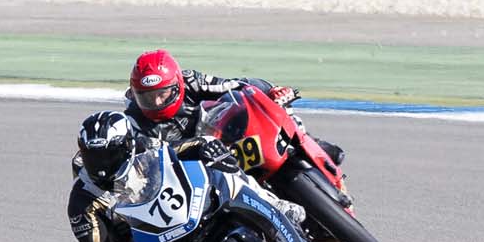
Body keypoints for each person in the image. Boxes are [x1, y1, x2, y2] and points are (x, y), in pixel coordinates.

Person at [66, 109, 302, 242]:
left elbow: (180, 148)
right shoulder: (82, 203)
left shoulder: (143, 145)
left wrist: (207, 148)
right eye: (93, 157)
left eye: (109, 155)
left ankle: (274, 204)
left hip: (182, 205)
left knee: (222, 168)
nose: (101, 166)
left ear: (126, 146)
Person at [123, 48, 345, 166]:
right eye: (148, 98)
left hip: (227, 137)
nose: (157, 103)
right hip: (195, 164)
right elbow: (146, 156)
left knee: (274, 114)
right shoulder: (134, 119)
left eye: (162, 94)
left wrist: (272, 91)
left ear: (177, 84)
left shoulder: (191, 81)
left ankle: (313, 146)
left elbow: (239, 85)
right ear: (136, 94)